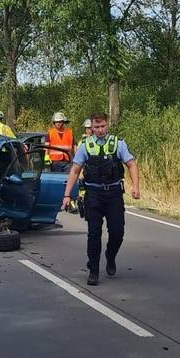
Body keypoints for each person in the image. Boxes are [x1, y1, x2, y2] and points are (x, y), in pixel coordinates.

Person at [62, 113, 141, 286]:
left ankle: (110, 256)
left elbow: (131, 164)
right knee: (94, 234)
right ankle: (94, 270)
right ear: (91, 128)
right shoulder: (86, 146)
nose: (100, 130)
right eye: (96, 127)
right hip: (94, 195)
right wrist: (67, 195)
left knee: (117, 232)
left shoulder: (118, 144)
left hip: (113, 194)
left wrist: (135, 186)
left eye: (102, 126)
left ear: (107, 125)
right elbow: (75, 170)